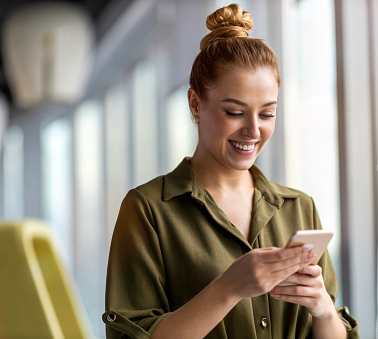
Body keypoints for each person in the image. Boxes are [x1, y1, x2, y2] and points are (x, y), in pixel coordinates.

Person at [103, 3, 359, 338]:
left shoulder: (300, 208)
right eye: (235, 112)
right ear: (196, 104)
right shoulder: (148, 210)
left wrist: (324, 310)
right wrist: (229, 288)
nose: (253, 131)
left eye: (266, 114)